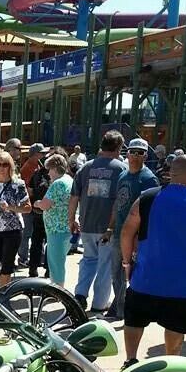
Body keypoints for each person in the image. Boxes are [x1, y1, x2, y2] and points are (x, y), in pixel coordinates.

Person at [120, 155, 186, 365]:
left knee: (134, 320)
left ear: (171, 172)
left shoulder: (147, 198)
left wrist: (127, 263)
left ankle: (130, 360)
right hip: (184, 286)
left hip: (145, 279)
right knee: (176, 327)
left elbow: (126, 232)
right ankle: (170, 366)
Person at [68, 130, 125, 313]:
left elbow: (74, 196)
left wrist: (72, 220)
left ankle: (80, 294)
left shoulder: (86, 168)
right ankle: (99, 303)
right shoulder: (121, 169)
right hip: (108, 226)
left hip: (87, 223)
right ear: (118, 147)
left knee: (88, 260)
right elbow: (119, 201)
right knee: (105, 265)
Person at [108, 138, 159, 319]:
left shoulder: (149, 179)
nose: (135, 156)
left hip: (137, 236)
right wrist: (110, 227)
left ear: (146, 155)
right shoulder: (123, 175)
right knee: (116, 273)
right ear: (127, 153)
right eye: (133, 151)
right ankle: (121, 308)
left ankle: (132, 310)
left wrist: (140, 236)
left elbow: (151, 211)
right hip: (119, 233)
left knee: (135, 275)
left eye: (140, 153)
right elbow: (117, 204)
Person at [0, 150, 31, 287]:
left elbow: (28, 208)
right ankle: (0, 293)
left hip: (13, 230)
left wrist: (10, 207)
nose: (1, 168)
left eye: (5, 164)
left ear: (10, 166)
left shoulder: (18, 184)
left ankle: (2, 296)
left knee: (6, 267)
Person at [33, 154, 72, 286]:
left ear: (55, 168)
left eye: (49, 169)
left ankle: (58, 292)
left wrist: (37, 203)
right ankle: (58, 289)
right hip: (66, 228)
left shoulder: (58, 183)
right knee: (59, 261)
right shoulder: (69, 179)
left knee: (56, 264)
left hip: (57, 229)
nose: (48, 173)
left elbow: (45, 204)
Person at [27, 154, 51, 277]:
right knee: (50, 242)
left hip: (37, 212)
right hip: (50, 214)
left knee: (36, 241)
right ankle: (48, 269)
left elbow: (30, 191)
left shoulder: (36, 174)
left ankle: (33, 267)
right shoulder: (54, 175)